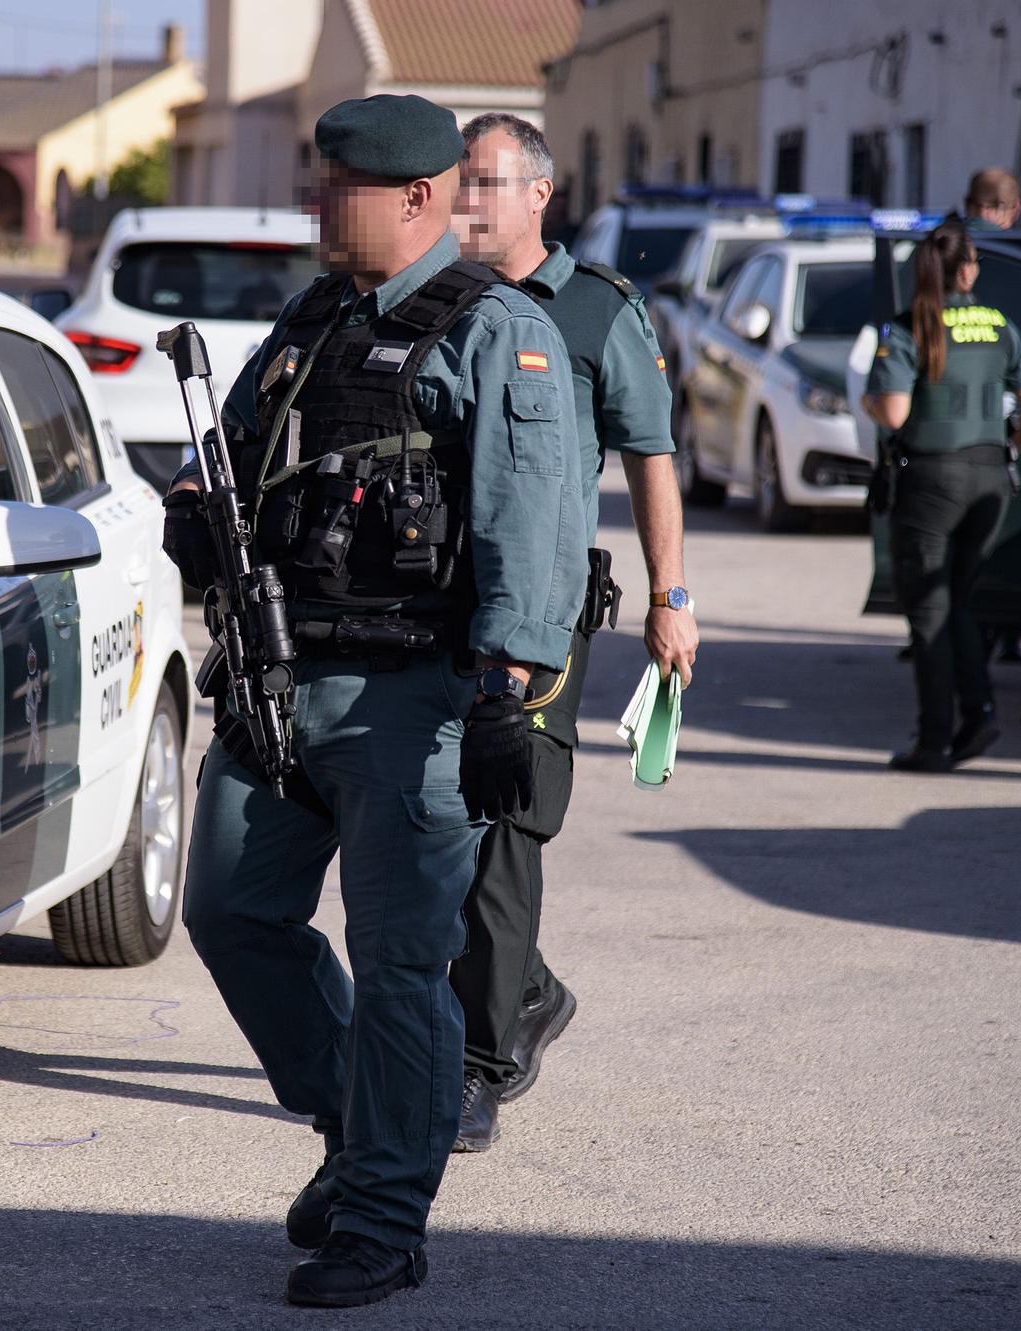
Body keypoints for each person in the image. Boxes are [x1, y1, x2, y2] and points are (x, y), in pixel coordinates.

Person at [163, 94, 585, 1307]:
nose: (312, 203)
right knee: (233, 911)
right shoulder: (309, 321)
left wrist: (511, 690)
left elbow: (531, 525)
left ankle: (384, 1217)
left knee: (402, 962)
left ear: (414, 198)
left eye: (333, 185)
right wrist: (199, 514)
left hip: (416, 698)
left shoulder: (495, 332)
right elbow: (235, 462)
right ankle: (355, 1132)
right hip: (275, 680)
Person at [446, 112, 698, 1152]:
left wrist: (669, 596)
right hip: (438, 607)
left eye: (487, 183)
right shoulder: (443, 299)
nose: (467, 201)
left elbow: (649, 455)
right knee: (438, 828)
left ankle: (482, 1061)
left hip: (543, 610)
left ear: (539, 194)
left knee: (505, 822)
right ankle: (530, 989)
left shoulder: (596, 312)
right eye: (459, 181)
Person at [864, 218, 1021, 772]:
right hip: (991, 478)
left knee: (928, 611)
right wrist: (1009, 446)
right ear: (967, 268)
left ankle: (935, 739)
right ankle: (979, 713)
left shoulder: (909, 326)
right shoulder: (1000, 326)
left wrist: (872, 403)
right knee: (959, 602)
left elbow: (894, 411)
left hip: (931, 481)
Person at [957, 168, 1021, 664]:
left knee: (943, 568)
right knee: (996, 547)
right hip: (994, 443)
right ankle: (1001, 634)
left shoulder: (936, 249)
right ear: (1014, 210)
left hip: (935, 449)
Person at [961, 167, 1021, 232]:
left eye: (994, 206)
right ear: (1016, 210)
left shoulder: (952, 236)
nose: (983, 215)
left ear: (966, 204)